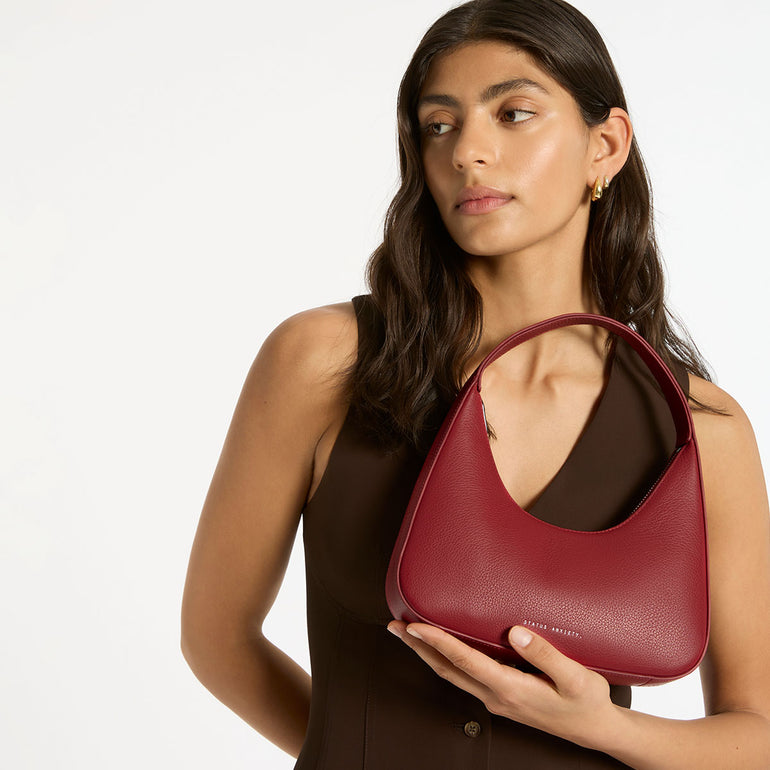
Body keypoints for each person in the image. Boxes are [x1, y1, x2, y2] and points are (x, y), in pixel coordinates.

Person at [180, 0, 770, 766]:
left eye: (513, 114)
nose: (468, 152)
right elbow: (217, 639)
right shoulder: (324, 361)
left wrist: (600, 727)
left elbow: (756, 735)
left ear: (605, 147)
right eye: (439, 125)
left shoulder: (699, 430)